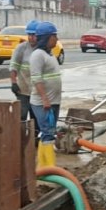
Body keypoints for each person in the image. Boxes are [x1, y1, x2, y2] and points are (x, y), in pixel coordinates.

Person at [29, 21, 62, 167]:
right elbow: (36, 78)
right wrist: (45, 99)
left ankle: (42, 166)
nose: (57, 39)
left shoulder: (50, 54)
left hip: (53, 101)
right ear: (47, 38)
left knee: (48, 132)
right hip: (43, 102)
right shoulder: (38, 55)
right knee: (47, 132)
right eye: (55, 36)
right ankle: (50, 167)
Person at [9, 20, 39, 123]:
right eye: (29, 35)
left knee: (36, 119)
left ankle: (35, 133)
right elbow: (13, 67)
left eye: (33, 35)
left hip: (37, 92)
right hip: (23, 90)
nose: (31, 37)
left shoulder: (42, 49)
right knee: (21, 117)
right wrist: (14, 83)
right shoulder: (21, 48)